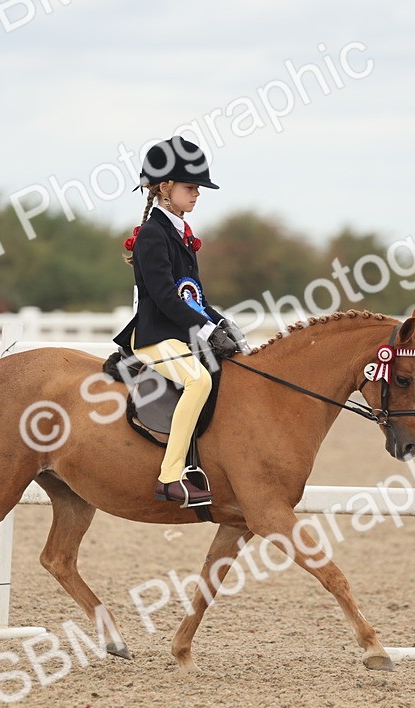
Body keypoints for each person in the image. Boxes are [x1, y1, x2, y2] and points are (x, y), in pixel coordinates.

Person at [113, 136, 249, 508]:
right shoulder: (153, 236)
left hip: (180, 335)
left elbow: (194, 297)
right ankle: (170, 477)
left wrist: (223, 325)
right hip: (154, 336)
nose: (197, 194)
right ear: (165, 186)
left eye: (198, 188)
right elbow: (164, 297)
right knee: (198, 380)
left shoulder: (182, 235)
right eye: (191, 187)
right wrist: (204, 330)